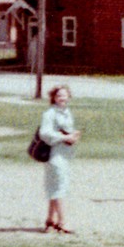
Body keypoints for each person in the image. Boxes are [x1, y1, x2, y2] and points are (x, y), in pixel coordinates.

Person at [39, 84, 81, 233]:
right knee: (59, 187)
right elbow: (44, 133)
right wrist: (64, 137)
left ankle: (50, 219)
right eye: (59, 95)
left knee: (55, 186)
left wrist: (73, 135)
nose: (62, 98)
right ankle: (63, 222)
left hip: (65, 154)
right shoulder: (49, 114)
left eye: (65, 95)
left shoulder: (67, 112)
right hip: (53, 154)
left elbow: (66, 130)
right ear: (54, 98)